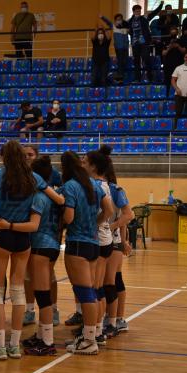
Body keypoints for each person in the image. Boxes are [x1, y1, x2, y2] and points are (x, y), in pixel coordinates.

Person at [0, 140, 64, 360]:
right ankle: (14, 345)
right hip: (24, 238)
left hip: (2, 233)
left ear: (4, 156)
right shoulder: (34, 178)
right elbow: (59, 198)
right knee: (18, 290)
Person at [61, 151, 112, 355]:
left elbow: (69, 218)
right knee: (90, 290)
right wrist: (95, 223)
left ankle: (90, 340)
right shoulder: (95, 185)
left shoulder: (70, 187)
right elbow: (109, 210)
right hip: (93, 243)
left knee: (85, 293)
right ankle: (90, 335)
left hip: (78, 243)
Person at [22, 156, 63, 356]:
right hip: (53, 243)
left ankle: (47, 342)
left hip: (41, 246)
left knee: (42, 295)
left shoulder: (39, 197)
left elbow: (34, 225)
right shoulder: (55, 194)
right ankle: (41, 335)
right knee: (43, 294)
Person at [82, 148, 114, 348]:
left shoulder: (97, 185)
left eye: (85, 162)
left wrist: (95, 223)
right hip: (105, 240)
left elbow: (108, 211)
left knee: (95, 289)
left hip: (100, 240)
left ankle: (94, 333)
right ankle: (98, 330)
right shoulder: (104, 184)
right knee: (97, 288)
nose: (82, 164)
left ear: (93, 166)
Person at [102, 153, 134, 337]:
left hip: (110, 240)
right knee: (114, 279)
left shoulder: (115, 189)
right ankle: (113, 317)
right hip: (109, 239)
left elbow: (127, 216)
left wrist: (119, 238)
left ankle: (115, 319)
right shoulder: (97, 188)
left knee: (112, 280)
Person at [128, 1, 164, 82]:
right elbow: (126, 29)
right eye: (137, 11)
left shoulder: (145, 17)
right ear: (133, 12)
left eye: (139, 11)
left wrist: (161, 5)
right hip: (135, 44)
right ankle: (137, 78)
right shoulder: (129, 21)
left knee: (146, 60)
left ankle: (150, 78)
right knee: (136, 61)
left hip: (144, 43)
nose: (138, 12)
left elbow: (154, 13)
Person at [100, 14, 129, 83]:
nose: (119, 21)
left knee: (124, 61)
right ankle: (119, 77)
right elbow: (108, 22)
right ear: (115, 21)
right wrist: (102, 17)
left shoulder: (126, 27)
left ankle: (119, 76)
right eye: (117, 19)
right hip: (118, 47)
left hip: (125, 47)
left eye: (120, 19)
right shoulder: (113, 26)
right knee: (120, 61)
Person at [162, 26, 187, 97]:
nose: (173, 33)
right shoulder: (166, 41)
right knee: (167, 81)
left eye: (174, 31)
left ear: (177, 33)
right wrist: (169, 48)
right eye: (172, 31)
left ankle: (180, 94)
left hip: (179, 65)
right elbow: (163, 53)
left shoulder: (181, 41)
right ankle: (167, 94)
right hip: (168, 65)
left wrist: (178, 46)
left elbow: (184, 51)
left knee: (180, 81)